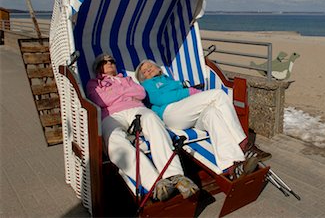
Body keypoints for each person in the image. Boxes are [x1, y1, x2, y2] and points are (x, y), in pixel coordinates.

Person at [86, 53, 198, 201]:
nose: (110, 63)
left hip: (136, 109)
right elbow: (100, 100)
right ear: (98, 68)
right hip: (112, 115)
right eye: (105, 62)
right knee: (114, 140)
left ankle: (175, 175)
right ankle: (155, 183)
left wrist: (116, 93)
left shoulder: (127, 79)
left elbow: (140, 93)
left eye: (112, 61)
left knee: (153, 120)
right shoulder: (93, 83)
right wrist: (126, 93)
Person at [135, 59, 271, 179]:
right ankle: (244, 144)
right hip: (170, 113)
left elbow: (179, 95)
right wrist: (189, 92)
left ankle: (233, 165)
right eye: (145, 72)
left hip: (188, 113)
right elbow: (162, 99)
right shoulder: (147, 86)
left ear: (158, 68)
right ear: (142, 78)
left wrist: (189, 94)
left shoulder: (169, 80)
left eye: (150, 67)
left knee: (212, 114)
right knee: (217, 95)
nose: (148, 71)